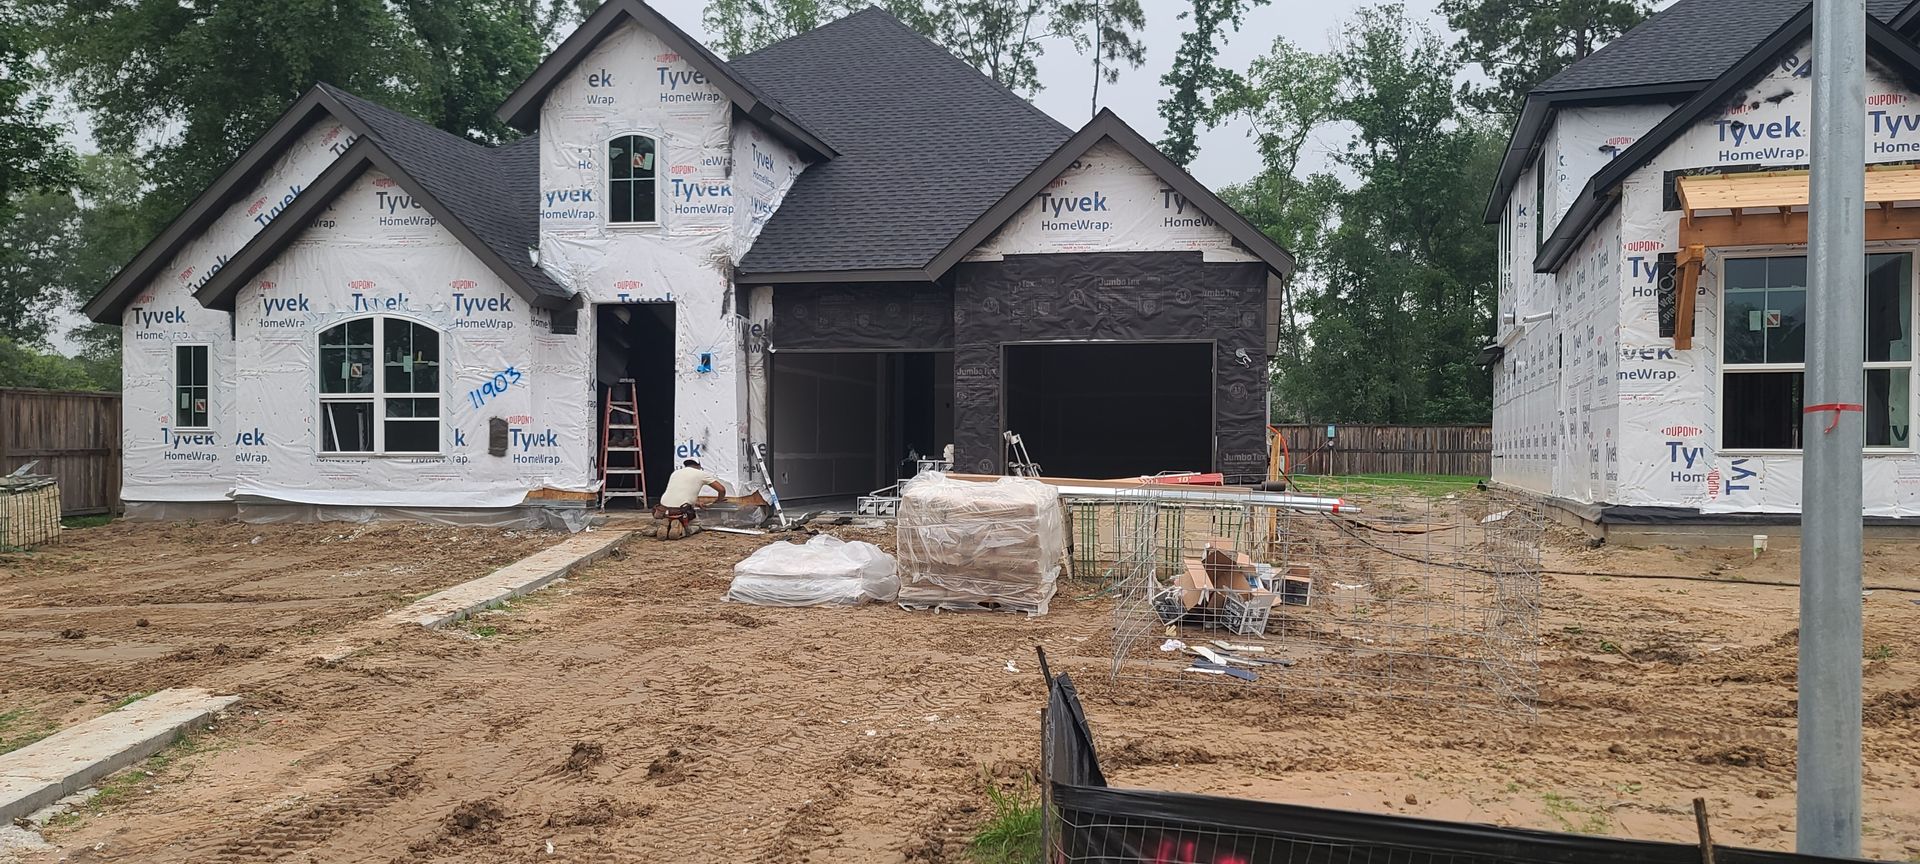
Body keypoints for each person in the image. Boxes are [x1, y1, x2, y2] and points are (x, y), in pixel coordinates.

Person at [653, 459, 727, 539]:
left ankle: (665, 524)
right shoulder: (701, 474)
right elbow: (722, 490)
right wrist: (719, 500)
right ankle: (682, 531)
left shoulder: (675, 473)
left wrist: (697, 503)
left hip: (663, 509)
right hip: (681, 510)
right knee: (697, 525)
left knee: (669, 515)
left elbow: (679, 493)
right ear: (699, 466)